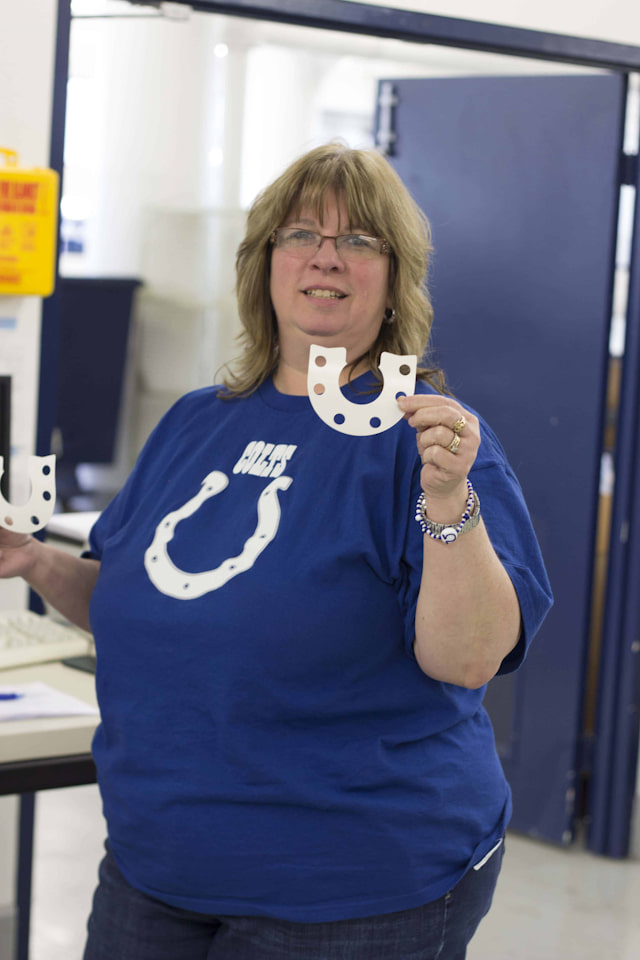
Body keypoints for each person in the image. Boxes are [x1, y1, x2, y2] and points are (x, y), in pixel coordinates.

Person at [0, 142, 552, 960]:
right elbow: (139, 598)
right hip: (156, 867)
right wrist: (38, 563)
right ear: (264, 264)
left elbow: (468, 659)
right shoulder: (198, 421)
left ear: (395, 278)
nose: (326, 257)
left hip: (350, 889)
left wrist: (448, 503)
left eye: (359, 240)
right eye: (300, 235)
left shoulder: (427, 441)